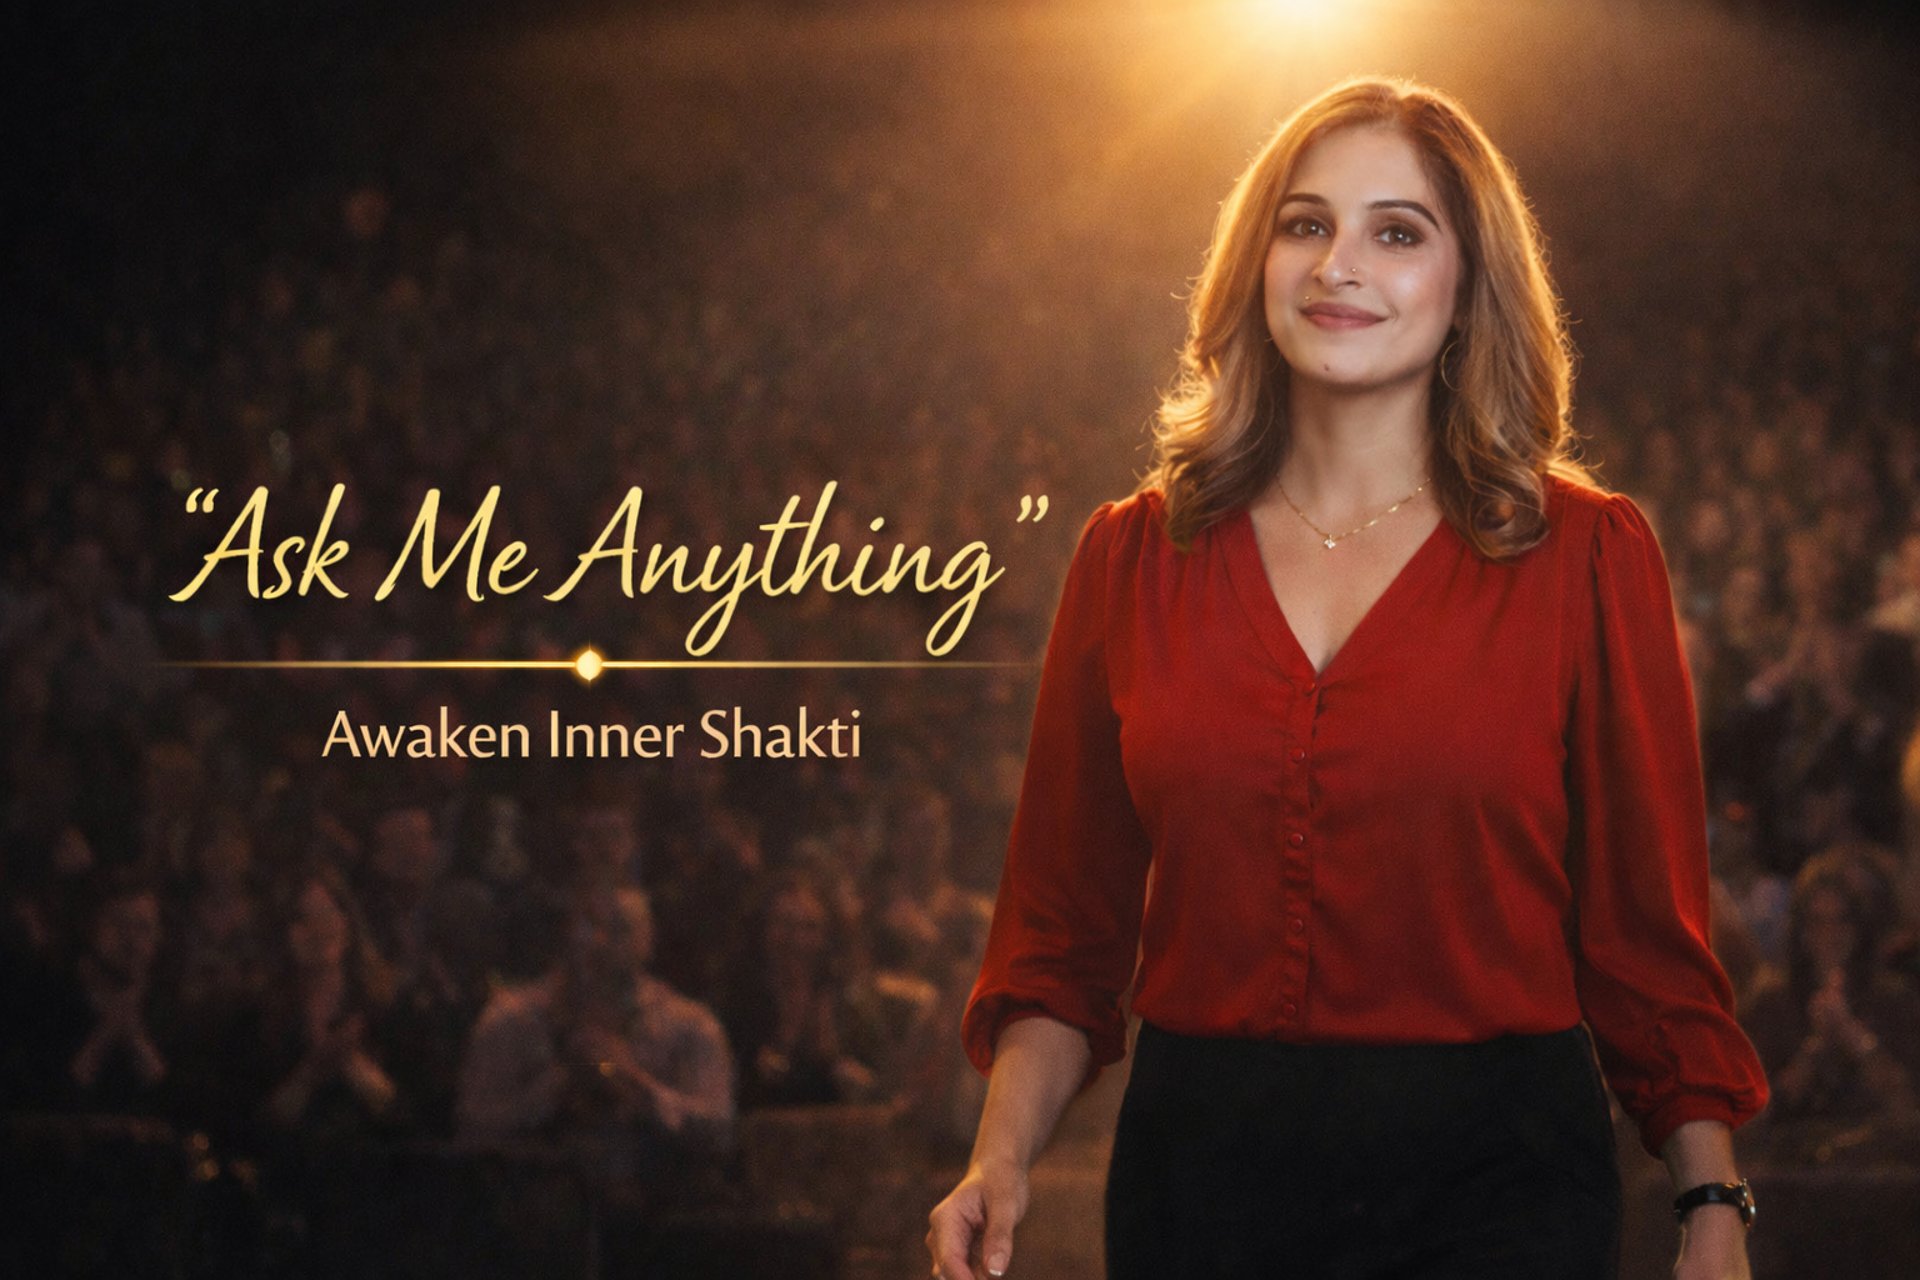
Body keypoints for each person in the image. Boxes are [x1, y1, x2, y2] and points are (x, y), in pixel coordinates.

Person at [928, 76, 1769, 1280]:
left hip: (1500, 1180)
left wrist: (1713, 1202)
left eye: (1397, 231)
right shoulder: (1130, 555)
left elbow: (1646, 936)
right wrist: (997, 1157)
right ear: (1255, 262)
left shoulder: (1587, 555)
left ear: (1468, 283)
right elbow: (1061, 933)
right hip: (1201, 1181)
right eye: (1305, 223)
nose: (1339, 264)